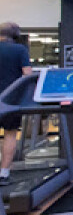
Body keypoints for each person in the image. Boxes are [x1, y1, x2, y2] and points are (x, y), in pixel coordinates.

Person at [0, 22, 32, 185]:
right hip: (11, 99)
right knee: (10, 133)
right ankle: (4, 173)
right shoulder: (20, 50)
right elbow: (27, 74)